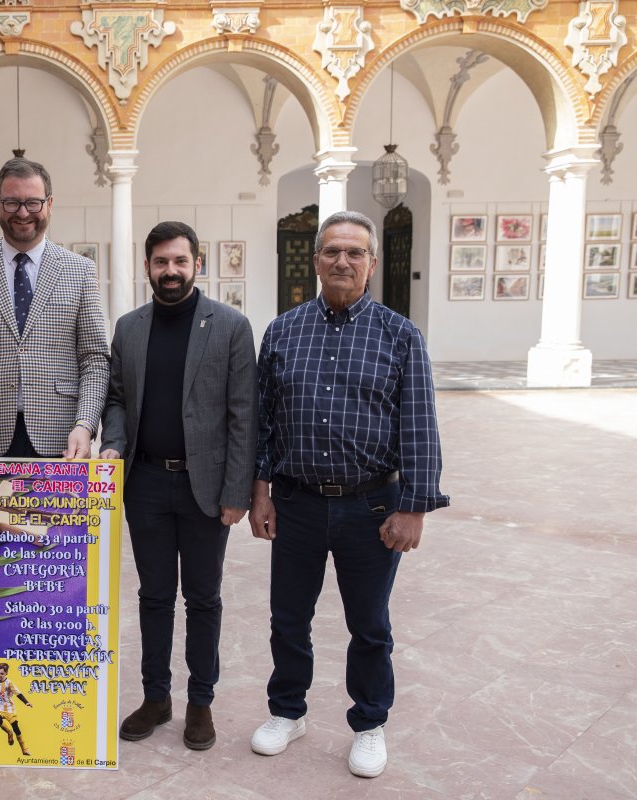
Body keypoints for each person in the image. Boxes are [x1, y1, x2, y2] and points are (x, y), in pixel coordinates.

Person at [248, 210, 450, 778]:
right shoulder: (283, 331)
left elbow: (419, 426)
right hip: (296, 503)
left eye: (354, 252)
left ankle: (369, 723)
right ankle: (287, 712)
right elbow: (265, 422)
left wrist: (414, 507)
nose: (343, 261)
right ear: (316, 261)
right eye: (332, 251)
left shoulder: (400, 335)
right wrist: (260, 492)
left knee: (370, 625)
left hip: (371, 507)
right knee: (289, 617)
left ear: (372, 263)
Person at [100, 221, 258, 751]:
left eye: (180, 261)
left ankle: (200, 703)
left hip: (204, 488)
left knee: (203, 599)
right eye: (161, 262)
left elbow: (243, 414)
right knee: (154, 596)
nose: (171, 271)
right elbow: (116, 398)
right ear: (147, 267)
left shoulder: (231, 326)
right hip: (144, 483)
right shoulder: (129, 328)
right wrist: (113, 445)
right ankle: (156, 697)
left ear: (197, 264)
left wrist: (236, 492)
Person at [0, 157, 109, 459]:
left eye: (33, 202)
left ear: (49, 203)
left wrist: (85, 424)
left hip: (63, 439)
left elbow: (94, 359)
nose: (22, 213)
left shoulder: (80, 270)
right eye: (12, 202)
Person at [0, 662, 34, 755]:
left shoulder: (9, 683)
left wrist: (26, 702)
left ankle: (24, 749)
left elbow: (18, 693)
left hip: (9, 707)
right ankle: (9, 732)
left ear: (6, 673)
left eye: (2, 673)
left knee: (15, 727)